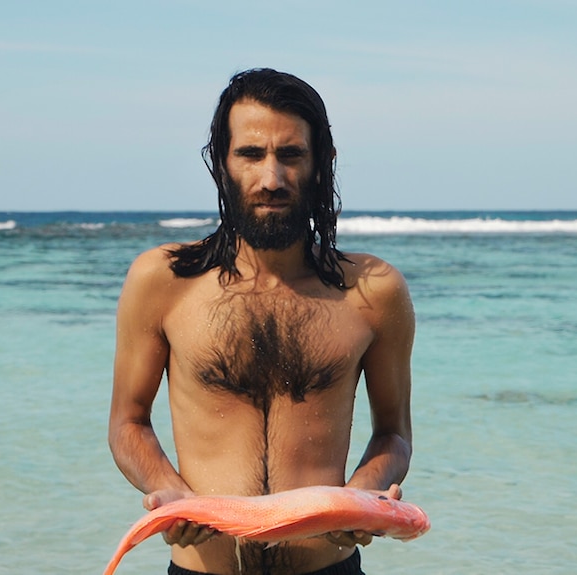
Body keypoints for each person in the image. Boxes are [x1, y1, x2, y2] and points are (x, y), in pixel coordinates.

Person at [109, 68, 415, 575]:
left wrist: (364, 496)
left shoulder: (373, 292)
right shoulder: (162, 280)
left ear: (321, 164)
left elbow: (394, 434)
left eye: (291, 155)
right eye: (251, 154)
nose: (271, 179)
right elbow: (127, 422)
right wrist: (168, 491)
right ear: (222, 163)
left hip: (328, 567)